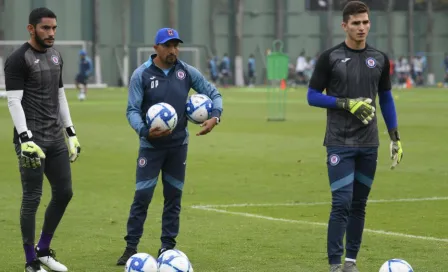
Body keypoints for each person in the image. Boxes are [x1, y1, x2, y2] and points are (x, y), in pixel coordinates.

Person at [306, 2, 403, 272]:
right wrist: (346, 104)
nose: (362, 27)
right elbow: (312, 96)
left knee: (359, 204)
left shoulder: (380, 58)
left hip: (369, 142)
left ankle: (351, 262)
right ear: (345, 25)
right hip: (339, 141)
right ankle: (335, 264)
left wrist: (395, 136)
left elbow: (386, 98)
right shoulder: (330, 57)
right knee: (342, 202)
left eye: (365, 22)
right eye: (356, 23)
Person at [116, 27, 223, 265]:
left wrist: (215, 116)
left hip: (178, 146)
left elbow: (214, 94)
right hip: (150, 147)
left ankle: (167, 248)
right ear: (156, 48)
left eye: (176, 45)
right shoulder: (141, 75)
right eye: (168, 45)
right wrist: (144, 131)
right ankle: (130, 247)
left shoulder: (186, 71)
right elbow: (132, 110)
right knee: (142, 196)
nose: (173, 50)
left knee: (173, 197)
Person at [4, 7, 81, 272]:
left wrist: (70, 132)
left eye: (54, 28)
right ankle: (30, 262)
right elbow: (13, 101)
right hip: (31, 141)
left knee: (65, 193)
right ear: (31, 29)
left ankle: (44, 249)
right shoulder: (17, 59)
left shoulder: (56, 56)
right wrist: (25, 139)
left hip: (55, 137)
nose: (51, 33)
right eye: (46, 28)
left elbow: (60, 96)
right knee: (32, 198)